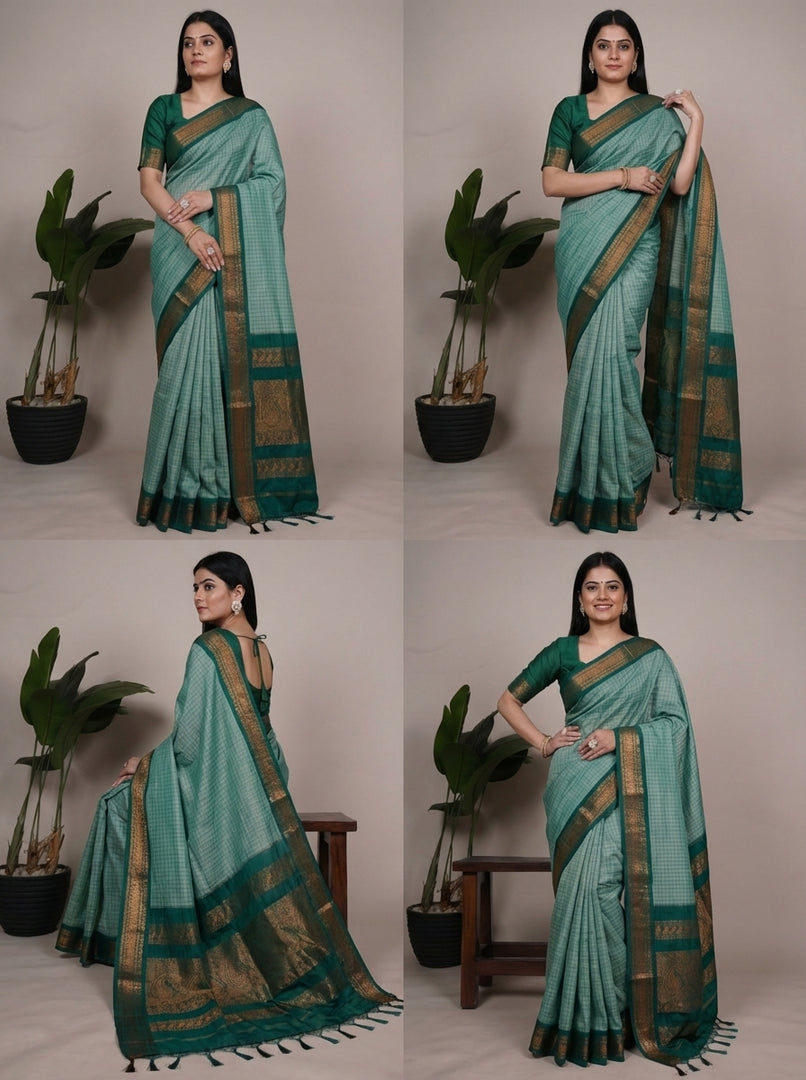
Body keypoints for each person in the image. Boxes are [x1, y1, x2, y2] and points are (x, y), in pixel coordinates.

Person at [56, 552, 397, 1068]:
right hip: (261, 779)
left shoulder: (208, 649)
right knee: (132, 806)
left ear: (238, 592)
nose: (197, 597)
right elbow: (257, 727)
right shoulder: (262, 649)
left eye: (208, 586)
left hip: (223, 781)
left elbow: (191, 742)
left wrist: (144, 765)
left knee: (116, 806)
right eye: (193, 588)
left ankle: (123, 944)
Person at [497, 552, 734, 1069]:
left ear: (627, 596)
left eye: (611, 586)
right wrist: (544, 741)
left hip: (627, 784)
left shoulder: (651, 657)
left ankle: (625, 1011)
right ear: (579, 599)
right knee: (584, 895)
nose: (601, 595)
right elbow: (507, 700)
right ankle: (597, 1016)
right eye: (590, 587)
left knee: (613, 892)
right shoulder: (562, 651)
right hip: (573, 783)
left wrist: (621, 738)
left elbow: (675, 724)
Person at [542, 10, 744, 533]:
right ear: (589, 55)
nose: (613, 54)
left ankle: (628, 473)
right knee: (591, 360)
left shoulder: (657, 115)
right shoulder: (569, 110)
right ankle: (591, 484)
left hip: (636, 247)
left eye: (624, 45)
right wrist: (623, 175)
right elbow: (552, 183)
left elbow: (678, 185)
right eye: (603, 45)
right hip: (583, 247)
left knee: (616, 353)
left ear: (637, 55)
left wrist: (696, 120)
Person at [135, 11, 320, 533]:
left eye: (208, 42)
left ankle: (230, 489)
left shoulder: (251, 117)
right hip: (179, 248)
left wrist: (214, 199)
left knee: (226, 358)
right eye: (188, 43)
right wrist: (191, 231)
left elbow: (272, 185)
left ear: (228, 55)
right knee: (183, 368)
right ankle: (183, 493)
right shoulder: (164, 109)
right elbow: (150, 182)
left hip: (232, 250)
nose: (196, 50)